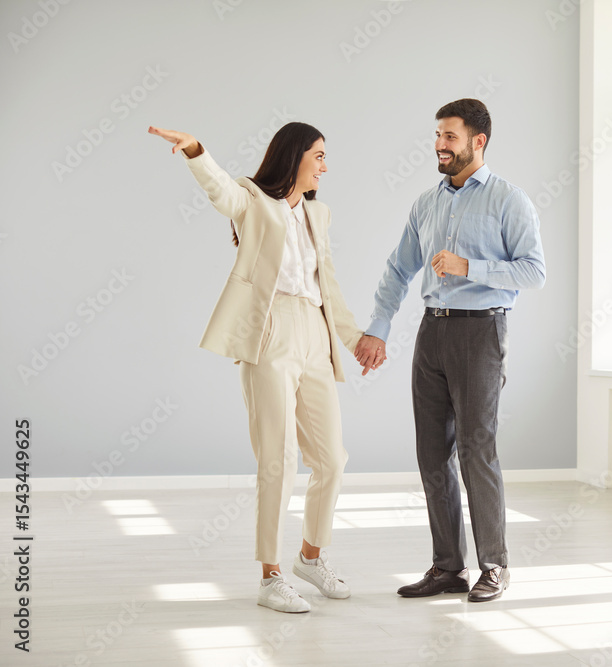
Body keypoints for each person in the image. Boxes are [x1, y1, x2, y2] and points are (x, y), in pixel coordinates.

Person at [148, 123, 384, 613]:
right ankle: (270, 576)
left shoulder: (320, 214)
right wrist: (195, 149)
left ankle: (310, 558)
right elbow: (221, 190)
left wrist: (355, 337)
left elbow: (330, 284)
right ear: (294, 156)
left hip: (315, 332)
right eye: (318, 155)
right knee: (278, 457)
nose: (325, 165)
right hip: (270, 328)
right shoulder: (254, 201)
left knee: (332, 459)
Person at [355, 99, 545, 602]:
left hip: (481, 333)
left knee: (477, 449)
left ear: (478, 141)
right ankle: (447, 567)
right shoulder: (427, 203)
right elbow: (399, 268)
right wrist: (378, 327)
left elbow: (533, 271)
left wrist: (470, 267)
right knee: (432, 454)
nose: (440, 145)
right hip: (431, 332)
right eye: (438, 136)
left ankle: (495, 566)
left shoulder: (509, 200)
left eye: (450, 137)